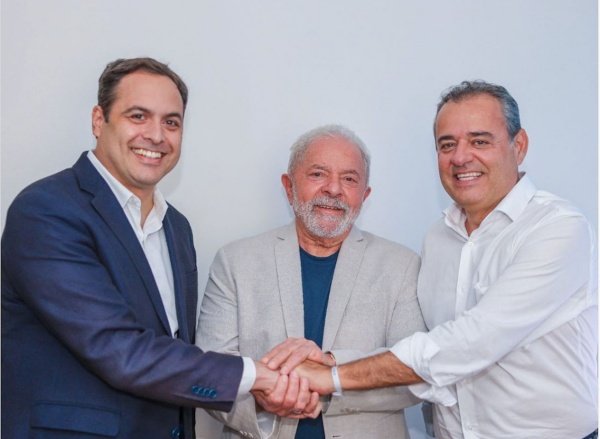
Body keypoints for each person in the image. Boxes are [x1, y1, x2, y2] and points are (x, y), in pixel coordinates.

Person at [272, 81, 598, 439]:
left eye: (479, 141)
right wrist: (331, 362)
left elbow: (473, 341)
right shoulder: (437, 238)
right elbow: (429, 350)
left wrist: (331, 375)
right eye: (447, 145)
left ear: (518, 146)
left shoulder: (557, 228)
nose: (460, 157)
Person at [1, 57, 287, 439]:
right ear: (98, 121)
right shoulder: (46, 211)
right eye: (138, 116)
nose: (156, 135)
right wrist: (257, 376)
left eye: (171, 122)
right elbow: (118, 350)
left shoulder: (177, 228)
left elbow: (172, 353)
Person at [195, 124, 426, 439]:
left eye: (349, 179)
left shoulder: (402, 265)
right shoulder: (234, 262)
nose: (334, 189)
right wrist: (265, 400)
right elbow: (210, 375)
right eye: (318, 174)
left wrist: (329, 379)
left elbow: (415, 376)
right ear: (288, 186)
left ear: (365, 195)